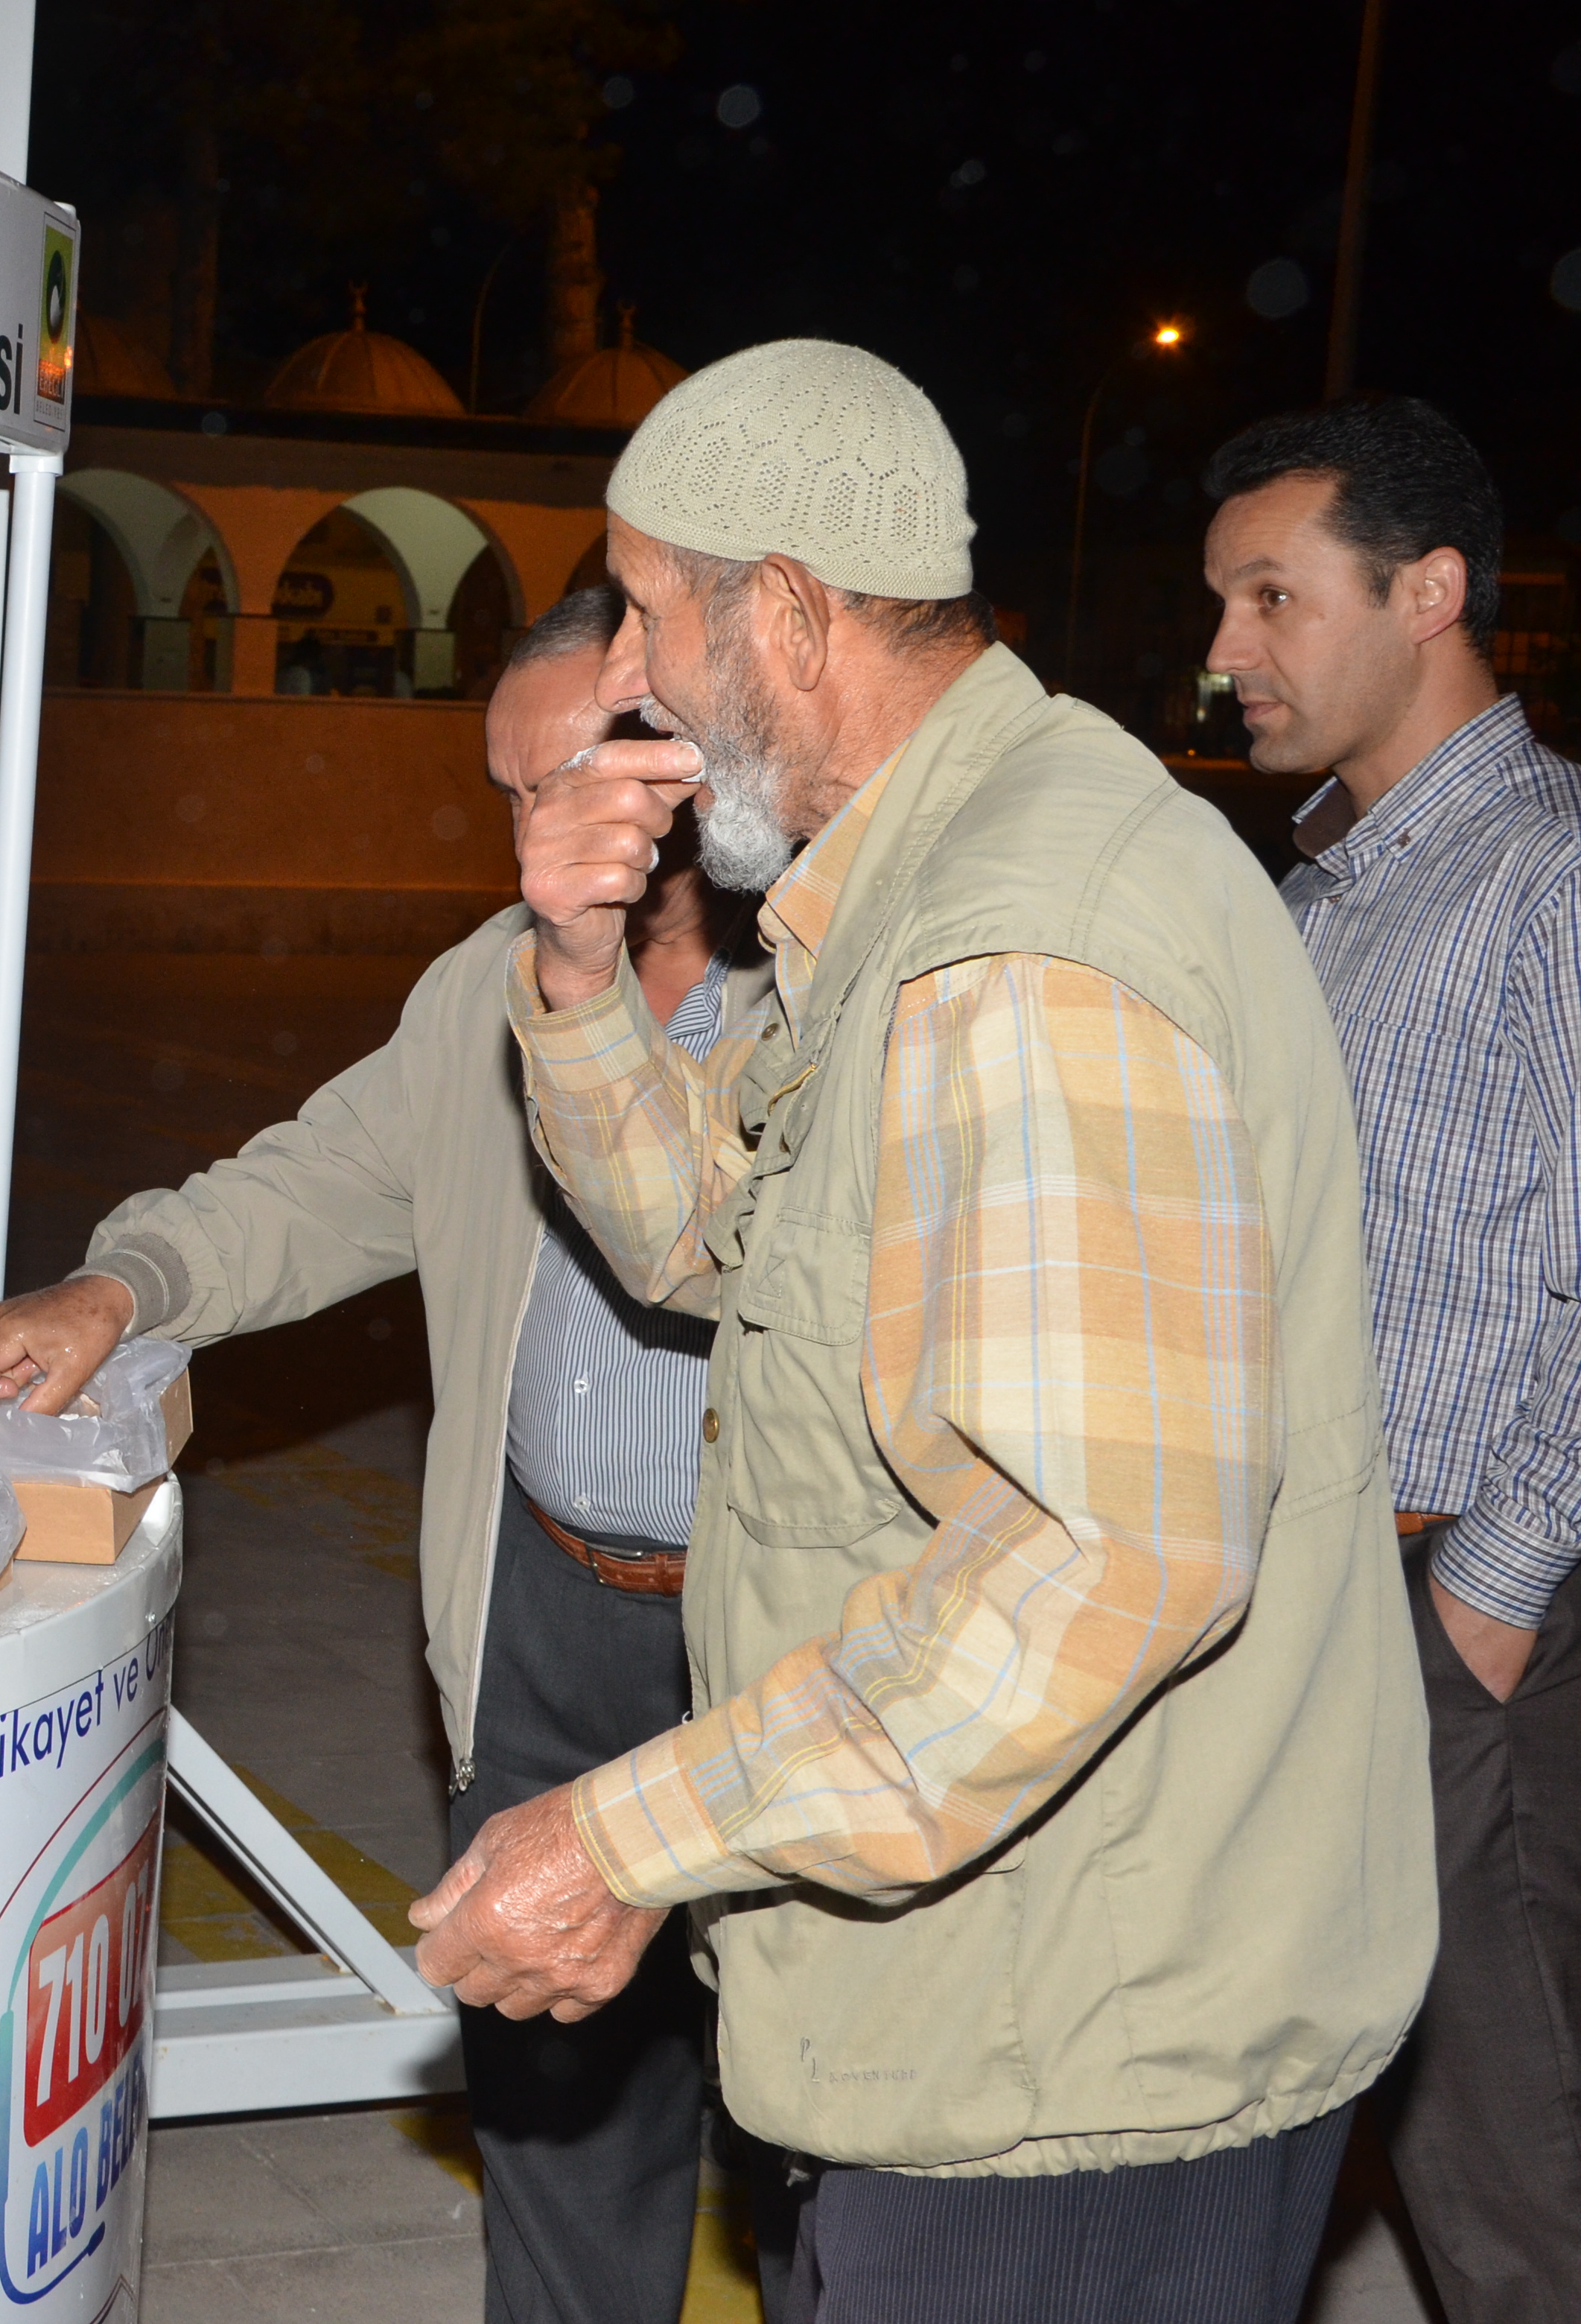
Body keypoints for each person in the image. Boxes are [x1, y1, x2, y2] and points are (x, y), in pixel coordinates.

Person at [410, 337, 1431, 2323]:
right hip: (999, 2003)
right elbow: (713, 1241)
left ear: (785, 616)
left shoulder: (1020, 940)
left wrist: (630, 1835)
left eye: (650, 605)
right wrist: (574, 958)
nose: (627, 671)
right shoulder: (915, 881)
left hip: (1080, 2058)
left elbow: (1099, 1557)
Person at [0, 580, 769, 2324]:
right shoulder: (491, 982)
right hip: (547, 1619)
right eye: (509, 800)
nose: (527, 838)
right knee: (557, 2128)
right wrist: (121, 1284)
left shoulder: (846, 997)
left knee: (814, 2128)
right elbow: (321, 1185)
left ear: (687, 777)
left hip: (785, 1648)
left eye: (564, 792)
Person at [1203, 396, 1581, 2324]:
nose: (1225, 653)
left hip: (1463, 1614)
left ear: (1428, 591)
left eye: (1273, 597)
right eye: (1220, 604)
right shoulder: (1324, 889)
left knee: (1512, 2178)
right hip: (1336, 1584)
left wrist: (1486, 1610)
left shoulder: (1547, 875)